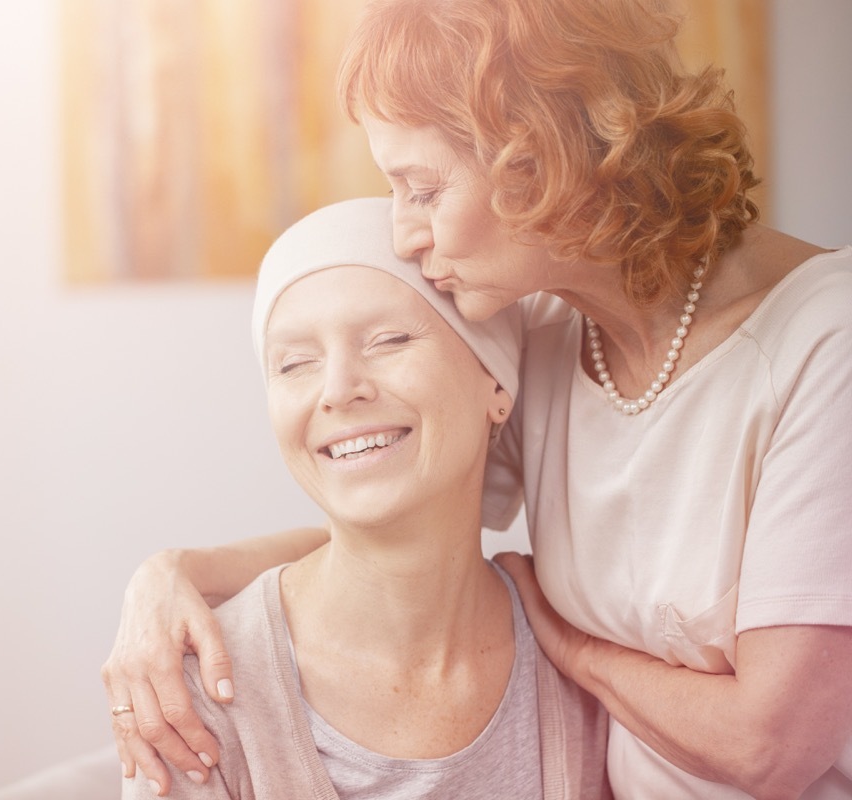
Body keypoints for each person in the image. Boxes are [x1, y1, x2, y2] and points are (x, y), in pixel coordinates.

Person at [103, 1, 852, 798]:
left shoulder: (822, 346)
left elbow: (769, 747)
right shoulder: (554, 329)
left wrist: (571, 648)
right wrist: (171, 578)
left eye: (421, 189)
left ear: (538, 157)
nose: (404, 235)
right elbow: (397, 540)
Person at [119, 196, 609, 799]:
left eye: (389, 339)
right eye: (295, 363)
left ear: (496, 383)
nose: (338, 389)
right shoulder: (197, 696)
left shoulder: (589, 654)